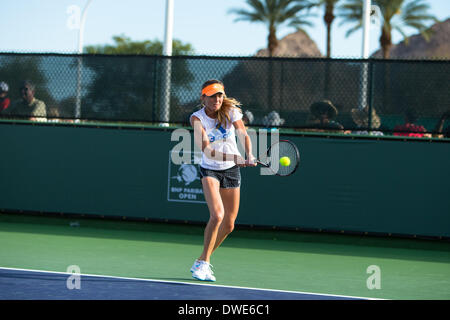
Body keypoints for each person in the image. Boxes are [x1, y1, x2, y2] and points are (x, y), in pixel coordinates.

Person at [189, 79, 256, 282]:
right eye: (212, 95)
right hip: (210, 169)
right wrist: (235, 157)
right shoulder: (196, 118)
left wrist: (249, 154)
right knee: (217, 215)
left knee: (229, 225)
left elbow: (243, 133)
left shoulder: (231, 111)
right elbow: (207, 150)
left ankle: (202, 259)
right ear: (203, 98)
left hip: (231, 171)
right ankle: (203, 264)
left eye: (220, 95)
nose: (217, 99)